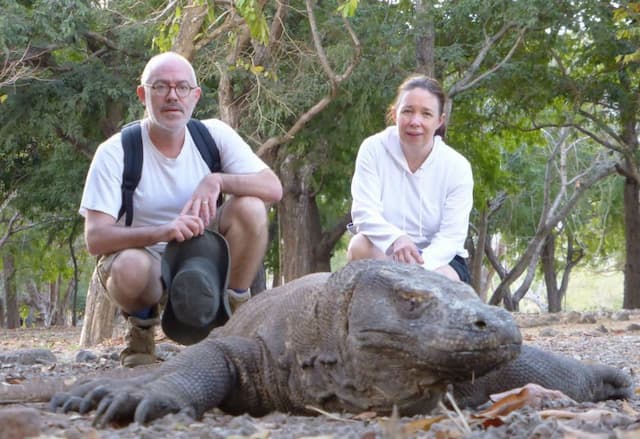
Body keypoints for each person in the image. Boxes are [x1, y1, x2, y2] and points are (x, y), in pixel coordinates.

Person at [79, 52, 283, 366]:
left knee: (252, 209)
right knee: (129, 269)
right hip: (143, 261)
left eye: (182, 87)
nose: (173, 95)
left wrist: (216, 181)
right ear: (142, 94)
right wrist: (163, 231)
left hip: (205, 255)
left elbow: (273, 188)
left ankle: (235, 320)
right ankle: (141, 335)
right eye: (160, 86)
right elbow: (95, 238)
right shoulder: (115, 151)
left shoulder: (213, 136)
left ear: (196, 96)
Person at [347, 74, 473, 283]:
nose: (415, 121)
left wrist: (419, 269)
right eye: (407, 111)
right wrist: (396, 238)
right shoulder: (372, 149)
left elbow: (452, 237)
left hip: (439, 260)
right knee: (359, 245)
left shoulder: (457, 167)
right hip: (386, 250)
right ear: (395, 114)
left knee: (444, 282)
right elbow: (363, 212)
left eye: (426, 114)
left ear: (439, 121)